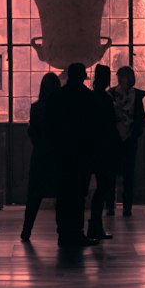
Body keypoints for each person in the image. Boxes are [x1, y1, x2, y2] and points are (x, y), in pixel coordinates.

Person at [50, 62, 97, 247]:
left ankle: (63, 232)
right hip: (82, 154)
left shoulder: (57, 97)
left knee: (63, 194)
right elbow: (93, 128)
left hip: (62, 153)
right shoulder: (88, 98)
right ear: (82, 76)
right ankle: (76, 232)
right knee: (78, 194)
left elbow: (50, 126)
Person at [21, 71, 61, 241]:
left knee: (35, 195)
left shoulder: (36, 108)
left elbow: (33, 131)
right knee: (61, 194)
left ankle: (27, 229)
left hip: (40, 155)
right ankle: (61, 228)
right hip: (58, 155)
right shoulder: (61, 108)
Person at [109, 64, 145, 217]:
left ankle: (127, 206)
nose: (120, 79)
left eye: (122, 76)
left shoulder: (136, 96)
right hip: (114, 139)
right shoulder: (111, 94)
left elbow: (140, 118)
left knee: (128, 173)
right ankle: (110, 205)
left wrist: (134, 134)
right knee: (111, 174)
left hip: (130, 139)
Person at [87, 64, 118, 241]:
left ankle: (94, 225)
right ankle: (95, 225)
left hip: (92, 148)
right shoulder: (106, 99)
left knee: (98, 187)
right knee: (103, 187)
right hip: (105, 149)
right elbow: (110, 125)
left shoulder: (91, 98)